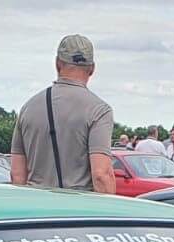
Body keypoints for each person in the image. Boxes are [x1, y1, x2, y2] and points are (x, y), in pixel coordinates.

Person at [11, 35, 115, 193]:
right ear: (92, 68)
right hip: (79, 210)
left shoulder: (28, 108)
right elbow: (101, 175)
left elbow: (17, 175)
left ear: (57, 64)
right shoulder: (98, 110)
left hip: (37, 208)